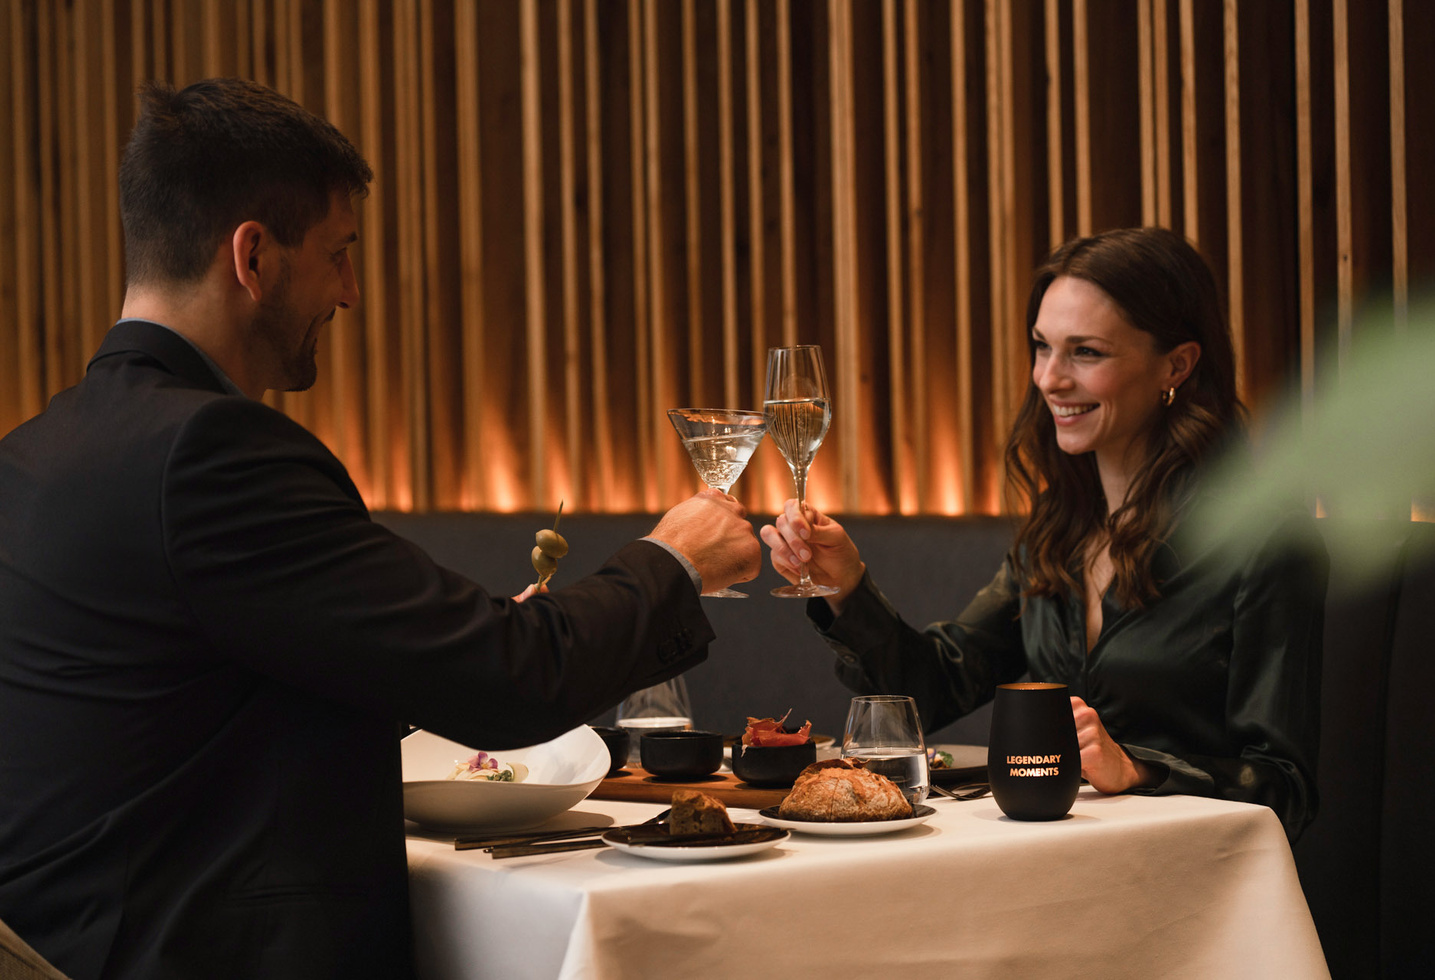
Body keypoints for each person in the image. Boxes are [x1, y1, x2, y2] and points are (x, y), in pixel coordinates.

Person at [0, 78, 760, 980]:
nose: (351, 292)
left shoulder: (32, 451)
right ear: (253, 257)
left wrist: (422, 656)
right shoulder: (211, 451)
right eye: (338, 252)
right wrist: (673, 560)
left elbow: (184, 696)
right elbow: (511, 680)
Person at [762, 227, 1325, 840]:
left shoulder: (1267, 539)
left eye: (1086, 352)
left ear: (1177, 365)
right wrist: (847, 589)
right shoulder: (1057, 529)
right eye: (1042, 347)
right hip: (1055, 866)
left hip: (1191, 883)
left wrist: (1137, 768)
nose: (1050, 379)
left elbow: (1284, 787)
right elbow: (936, 689)